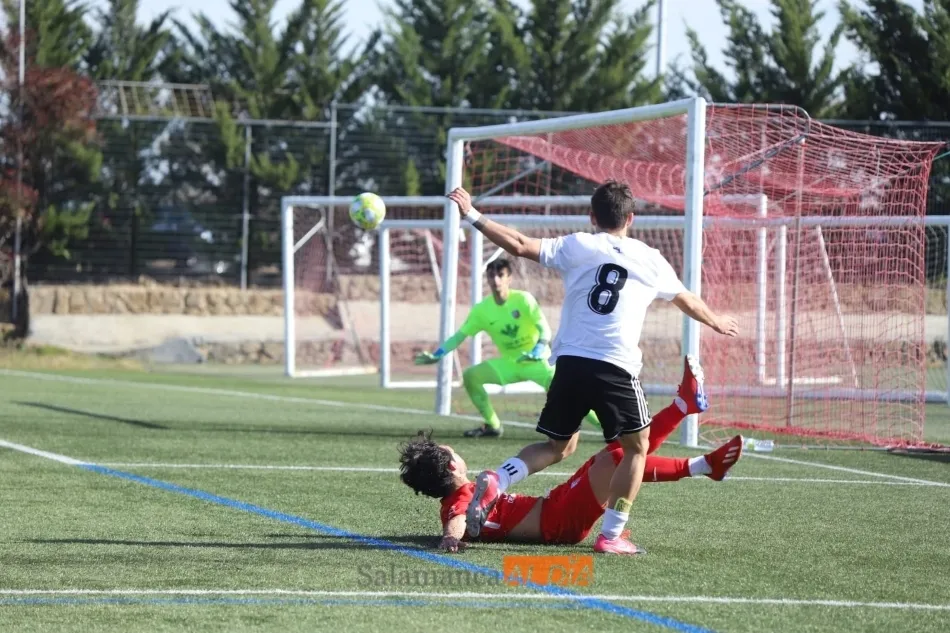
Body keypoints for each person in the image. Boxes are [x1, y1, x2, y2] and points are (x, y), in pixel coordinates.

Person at [446, 182, 739, 555]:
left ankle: (498, 479)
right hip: (615, 366)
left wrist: (472, 214)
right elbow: (686, 299)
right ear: (631, 218)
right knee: (636, 448)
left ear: (592, 216)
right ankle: (611, 535)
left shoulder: (578, 245)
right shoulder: (649, 257)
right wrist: (715, 321)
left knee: (558, 445)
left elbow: (518, 244)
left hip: (570, 364)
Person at [398, 358, 743, 553]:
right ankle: (702, 462)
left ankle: (685, 408)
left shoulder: (460, 494)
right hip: (559, 522)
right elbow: (456, 519)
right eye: (453, 451)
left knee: (619, 452)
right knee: (618, 458)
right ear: (453, 466)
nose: (457, 452)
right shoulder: (458, 500)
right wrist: (451, 537)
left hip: (555, 505)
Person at [414, 257, 600, 438]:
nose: (496, 280)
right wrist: (438, 354)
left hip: (539, 363)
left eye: (500, 275)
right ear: (487, 279)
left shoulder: (524, 300)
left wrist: (539, 348)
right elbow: (459, 336)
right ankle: (492, 425)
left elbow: (544, 328)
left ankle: (608, 428)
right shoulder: (482, 310)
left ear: (509, 278)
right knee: (471, 376)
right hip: (510, 364)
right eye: (491, 275)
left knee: (571, 394)